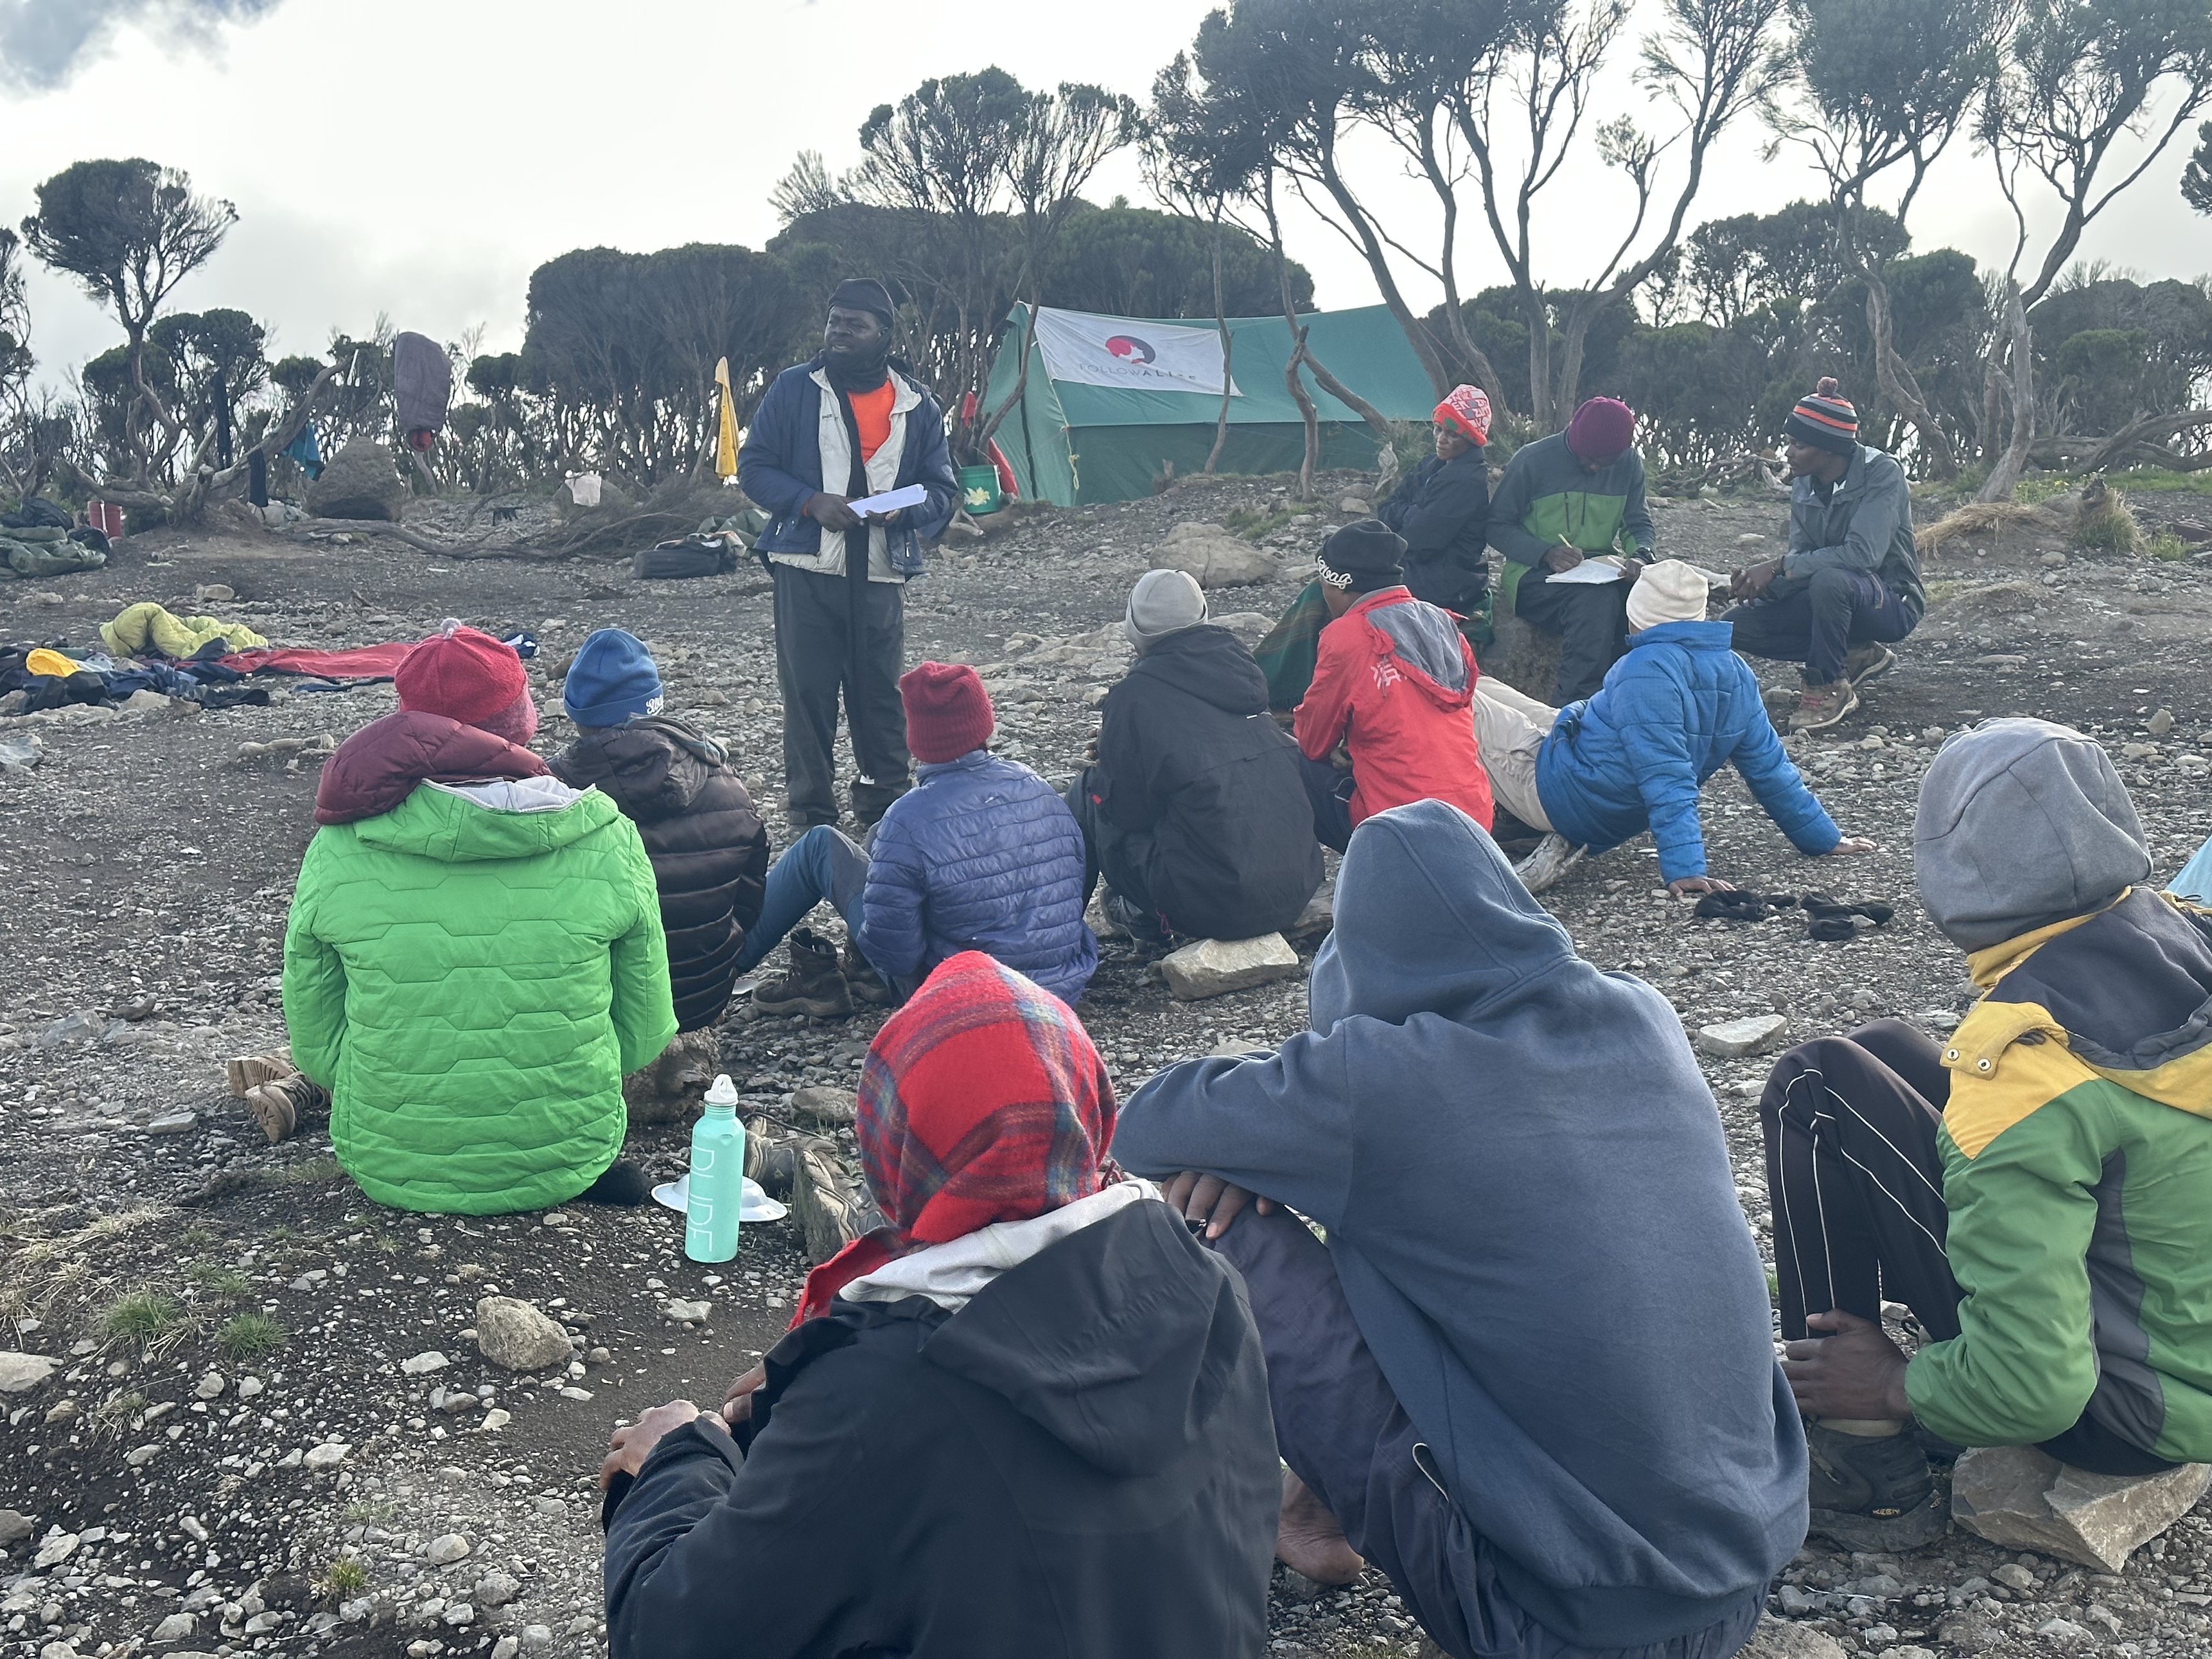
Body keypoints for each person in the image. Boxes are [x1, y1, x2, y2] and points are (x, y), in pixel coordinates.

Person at [1112, 801, 1807, 1659]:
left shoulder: (1381, 1081)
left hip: (1559, 1626)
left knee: (1210, 1215)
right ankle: (1318, 1504)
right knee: (1455, 1244)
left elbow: (1141, 1124)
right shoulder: (1641, 1017)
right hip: (1746, 1563)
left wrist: (1270, 1121)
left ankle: (1263, 1505)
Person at [598, 951, 1281, 1659]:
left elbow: (668, 1633)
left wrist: (679, 1461)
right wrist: (804, 1408)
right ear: (1088, 1110)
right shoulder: (1208, 1287)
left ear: (892, 1147)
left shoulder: (886, 1391)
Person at [1761, 719, 2212, 1550]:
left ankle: (1860, 1451)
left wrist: (1900, 1384)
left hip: (2129, 1415)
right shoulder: (2188, 936)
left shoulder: (2025, 1067)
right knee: (1882, 1049)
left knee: (1817, 1083)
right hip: (2186, 1337)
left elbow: (2037, 1388)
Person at [280, 623, 676, 1213]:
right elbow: (644, 1027)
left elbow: (314, 1036)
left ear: (412, 726)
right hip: (568, 1151)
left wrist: (380, 1082)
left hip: (391, 1159)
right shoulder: (607, 834)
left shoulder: (341, 844)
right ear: (523, 719)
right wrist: (573, 1068)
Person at [1473, 559, 1877, 896]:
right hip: (1590, 772)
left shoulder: (1643, 671)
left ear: (1637, 616)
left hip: (1566, 798)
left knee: (1459, 699)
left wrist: (1686, 869)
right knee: (1481, 685)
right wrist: (1825, 839)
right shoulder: (1736, 672)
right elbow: (1771, 771)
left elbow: (1666, 774)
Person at [734, 662, 1096, 1015]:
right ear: (984, 723)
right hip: (1058, 987)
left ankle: (725, 966)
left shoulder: (908, 818)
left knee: (820, 846)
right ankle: (861, 971)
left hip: (963, 997)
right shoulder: (1038, 788)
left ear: (917, 739)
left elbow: (897, 954)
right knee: (883, 841)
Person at [738, 277, 960, 829]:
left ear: (883, 334)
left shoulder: (919, 404)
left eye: (854, 325)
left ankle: (884, 804)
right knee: (808, 695)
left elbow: (942, 489)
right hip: (805, 568)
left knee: (880, 695)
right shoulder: (793, 389)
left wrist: (903, 509)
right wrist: (810, 502)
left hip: (882, 571)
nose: (839, 332)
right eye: (835, 321)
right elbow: (755, 468)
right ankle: (812, 811)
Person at [1066, 570, 1322, 943]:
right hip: (1294, 890)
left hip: (1218, 908)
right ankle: (1140, 909)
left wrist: (1114, 762)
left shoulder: (1134, 698)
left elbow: (1127, 813)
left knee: (1087, 790)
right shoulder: (1244, 675)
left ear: (1133, 628)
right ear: (1203, 614)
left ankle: (1063, 933)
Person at [549, 628, 769, 1034]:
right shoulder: (724, 779)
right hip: (704, 997)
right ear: (654, 705)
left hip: (600, 1015)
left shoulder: (553, 794)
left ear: (576, 716)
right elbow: (750, 902)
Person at [1721, 380, 1924, 733]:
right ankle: (1856, 652)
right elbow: (1804, 555)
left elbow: (1862, 555)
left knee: (1832, 581)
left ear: (1830, 450)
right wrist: (1769, 587)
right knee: (1733, 624)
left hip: (1890, 601)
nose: (1788, 453)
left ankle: (1828, 683)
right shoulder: (1804, 482)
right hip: (1832, 597)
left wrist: (1778, 566)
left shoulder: (1882, 473)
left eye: (1798, 445)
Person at [1294, 520, 1491, 853]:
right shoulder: (1443, 623)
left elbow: (1313, 741)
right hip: (1475, 818)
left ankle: (1310, 879)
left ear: (1338, 585)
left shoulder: (1347, 636)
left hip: (1400, 827)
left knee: (1287, 759)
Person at [1487, 395, 1656, 703]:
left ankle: (1629, 697)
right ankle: (1573, 706)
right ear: (1572, 439)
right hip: (1534, 575)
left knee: (1646, 600)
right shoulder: (1532, 461)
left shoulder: (1629, 465)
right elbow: (1496, 526)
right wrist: (1545, 553)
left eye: (1605, 464)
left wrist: (1640, 555)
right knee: (1597, 601)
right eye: (1587, 459)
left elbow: (1637, 524)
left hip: (1600, 570)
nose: (1593, 468)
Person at [1378, 384, 1495, 642]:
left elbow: (1416, 541)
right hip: (1425, 564)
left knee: (1358, 584)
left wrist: (1405, 514)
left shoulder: (1466, 480)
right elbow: (1384, 507)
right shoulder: (1434, 464)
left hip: (1447, 577)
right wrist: (1413, 513)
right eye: (1438, 429)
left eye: (1452, 434)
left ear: (1471, 439)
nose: (1441, 439)